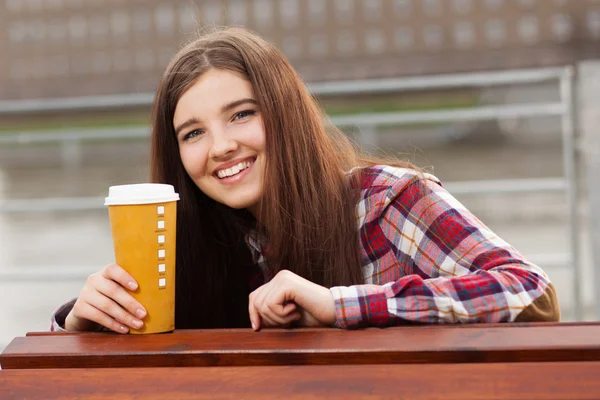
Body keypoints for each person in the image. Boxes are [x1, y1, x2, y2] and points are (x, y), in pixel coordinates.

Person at [51, 27, 559, 334]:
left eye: (242, 114)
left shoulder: (387, 202)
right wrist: (82, 327)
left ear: (286, 112)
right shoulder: (192, 244)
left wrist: (339, 306)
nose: (221, 146)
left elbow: (532, 294)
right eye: (193, 133)